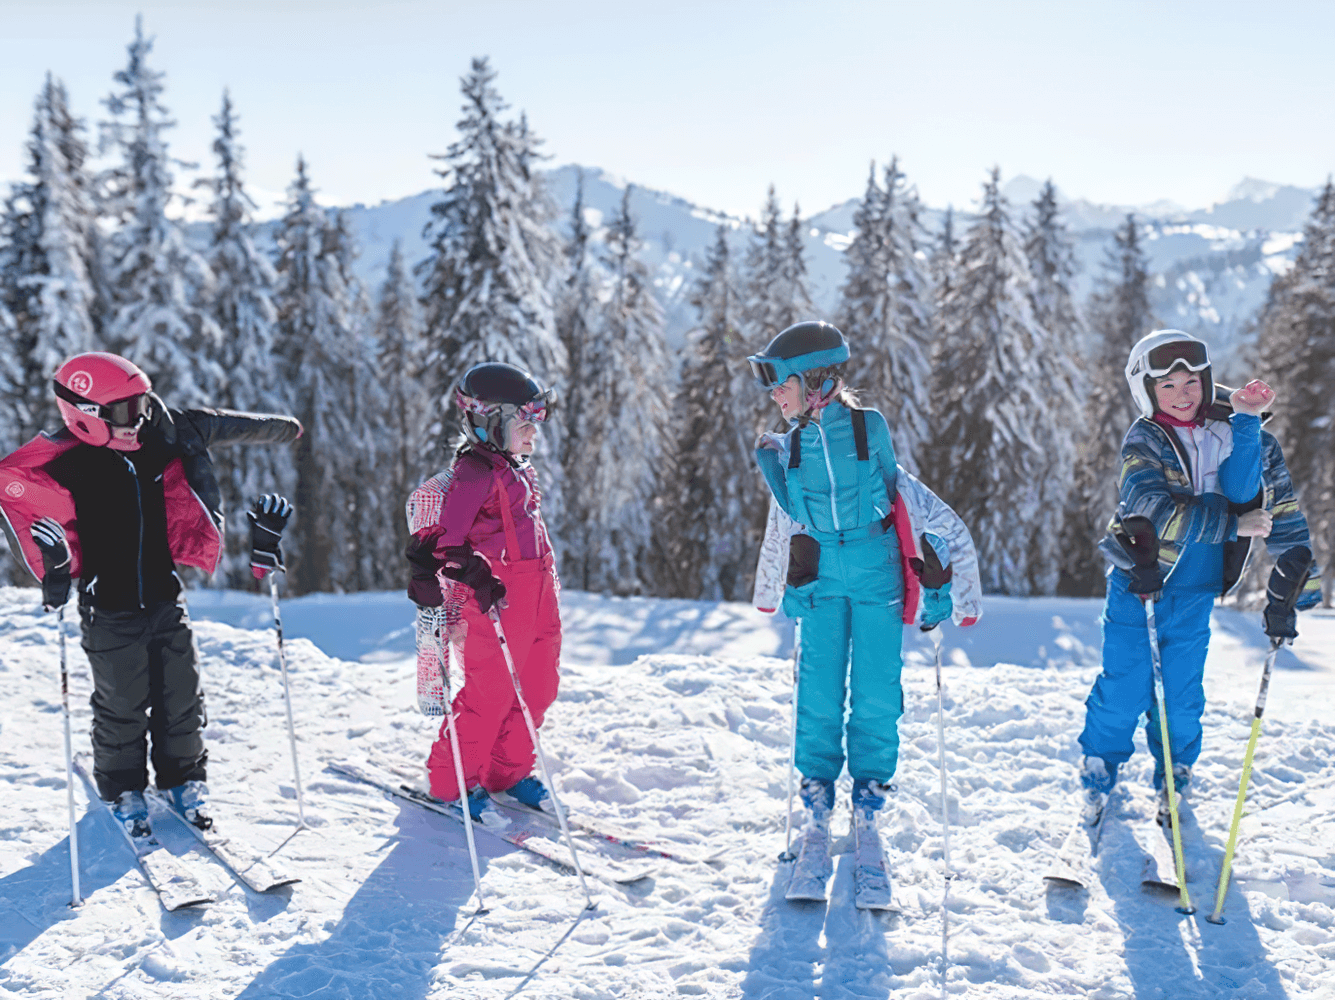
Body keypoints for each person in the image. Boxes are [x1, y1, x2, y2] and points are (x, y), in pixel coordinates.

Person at [0, 352, 302, 835]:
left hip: (166, 598)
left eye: (142, 405)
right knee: (121, 706)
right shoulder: (69, 466)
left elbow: (226, 426)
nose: (137, 419)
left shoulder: (161, 440)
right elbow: (46, 537)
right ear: (87, 416)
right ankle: (124, 789)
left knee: (180, 696)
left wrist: (286, 429)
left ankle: (184, 780)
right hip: (109, 610)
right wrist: (57, 574)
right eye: (123, 411)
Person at [1078, 329, 1322, 824]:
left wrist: (1299, 589)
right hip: (1139, 580)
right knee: (1124, 686)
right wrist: (1233, 524)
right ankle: (1100, 768)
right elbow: (1148, 505)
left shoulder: (1244, 434)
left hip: (1195, 590)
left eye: (1191, 382)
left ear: (1207, 382)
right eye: (1167, 386)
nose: (1182, 394)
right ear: (1147, 392)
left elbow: (1281, 509)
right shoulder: (1145, 437)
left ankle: (1175, 772)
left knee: (1182, 694)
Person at [747, 321, 982, 834]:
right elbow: (782, 521)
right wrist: (776, 586)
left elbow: (906, 499)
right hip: (822, 573)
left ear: (814, 381)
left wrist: (942, 581)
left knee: (877, 683)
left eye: (781, 384)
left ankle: (872, 782)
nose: (774, 396)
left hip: (876, 567)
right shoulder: (787, 448)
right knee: (819, 683)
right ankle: (816, 780)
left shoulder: (868, 427)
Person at [404, 361, 561, 826]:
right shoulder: (474, 472)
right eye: (524, 422)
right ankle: (451, 781)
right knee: (489, 693)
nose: (533, 432)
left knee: (538, 686)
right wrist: (476, 574)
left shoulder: (516, 467)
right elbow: (446, 544)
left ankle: (506, 772)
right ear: (490, 422)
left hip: (538, 593)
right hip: (498, 598)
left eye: (536, 421)